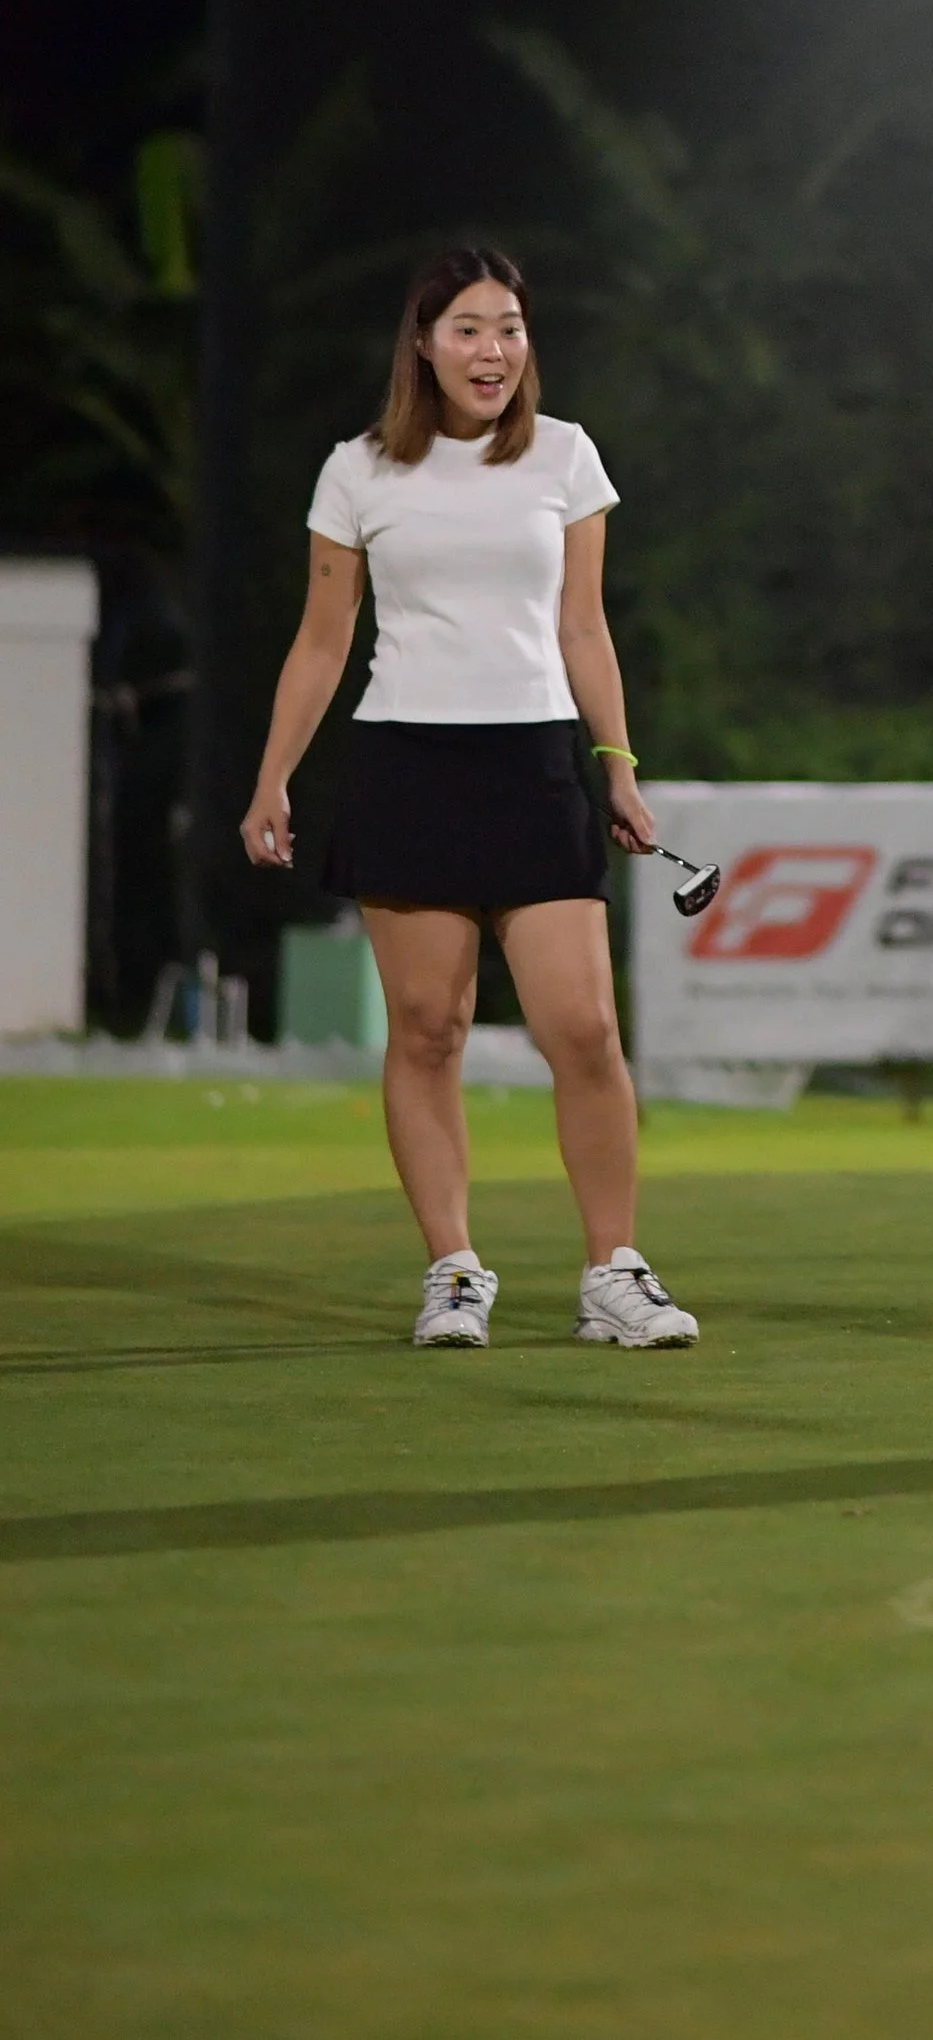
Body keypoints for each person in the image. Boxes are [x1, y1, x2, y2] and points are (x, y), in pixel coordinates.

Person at [241, 246, 699, 1354]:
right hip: (405, 763)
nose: (493, 351)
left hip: (534, 764)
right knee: (430, 1030)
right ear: (423, 344)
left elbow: (583, 627)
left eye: (510, 328)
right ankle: (453, 1272)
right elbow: (321, 639)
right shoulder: (357, 470)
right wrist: (271, 779)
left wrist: (618, 766)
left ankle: (614, 1275)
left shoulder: (566, 457)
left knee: (583, 1028)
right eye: (468, 330)